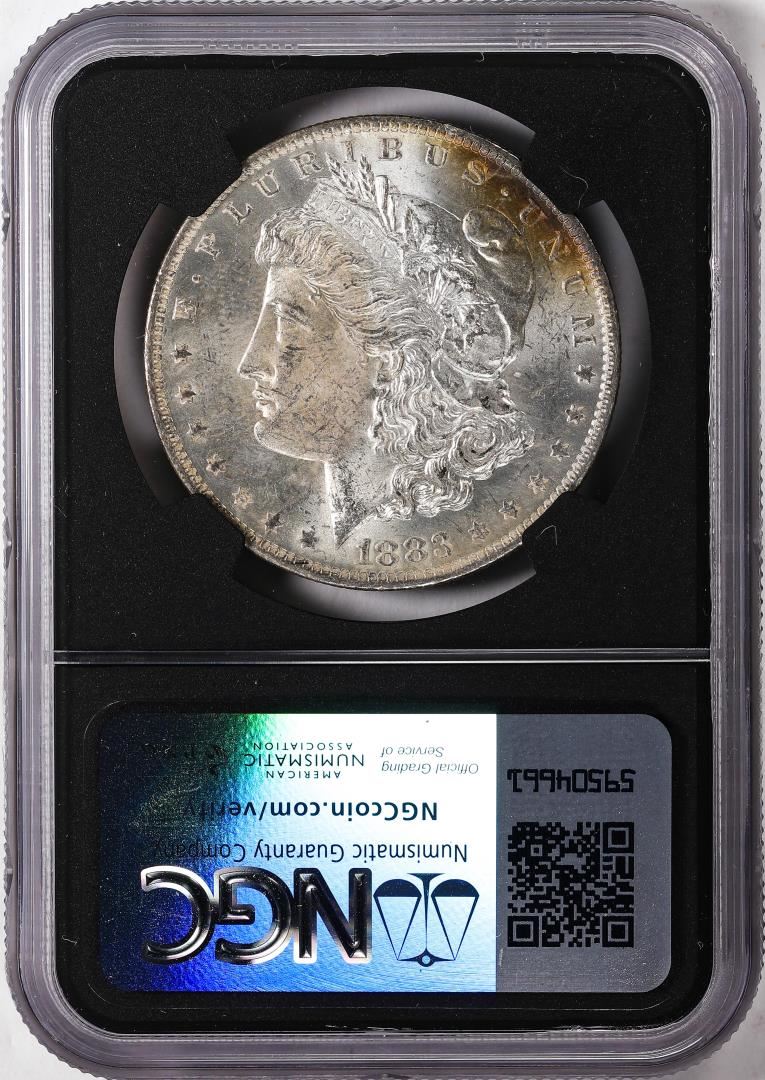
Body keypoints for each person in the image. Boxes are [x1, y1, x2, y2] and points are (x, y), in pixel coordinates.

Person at [238, 156, 536, 546]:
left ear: (391, 361)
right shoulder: (336, 540)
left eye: (287, 322)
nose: (249, 364)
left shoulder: (446, 537)